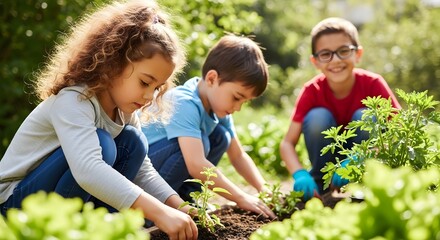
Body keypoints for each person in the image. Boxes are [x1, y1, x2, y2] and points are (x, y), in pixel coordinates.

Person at [0, 1, 198, 239]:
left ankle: (95, 230)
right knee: (102, 144)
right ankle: (61, 231)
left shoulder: (125, 111)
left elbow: (142, 171)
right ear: (113, 63)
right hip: (14, 205)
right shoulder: (74, 100)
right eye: (145, 82)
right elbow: (88, 170)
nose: (149, 96)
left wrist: (178, 206)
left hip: (55, 194)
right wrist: (159, 214)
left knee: (133, 142)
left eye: (157, 88)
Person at [142, 34, 276, 219]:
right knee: (200, 144)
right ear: (212, 78)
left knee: (221, 136)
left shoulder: (216, 107)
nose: (237, 107)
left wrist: (263, 188)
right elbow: (196, 164)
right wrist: (240, 197)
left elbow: (237, 155)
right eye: (237, 97)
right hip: (143, 171)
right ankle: (155, 209)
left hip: (165, 164)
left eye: (244, 102)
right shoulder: (184, 102)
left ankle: (186, 198)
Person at [280, 17, 401, 201]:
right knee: (317, 117)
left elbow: (398, 130)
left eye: (343, 51)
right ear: (315, 61)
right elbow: (287, 143)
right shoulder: (312, 91)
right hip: (325, 166)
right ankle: (321, 186)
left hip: (365, 165)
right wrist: (299, 174)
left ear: (358, 54)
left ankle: (362, 183)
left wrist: (361, 157)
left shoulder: (373, 84)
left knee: (366, 115)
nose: (335, 60)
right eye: (325, 54)